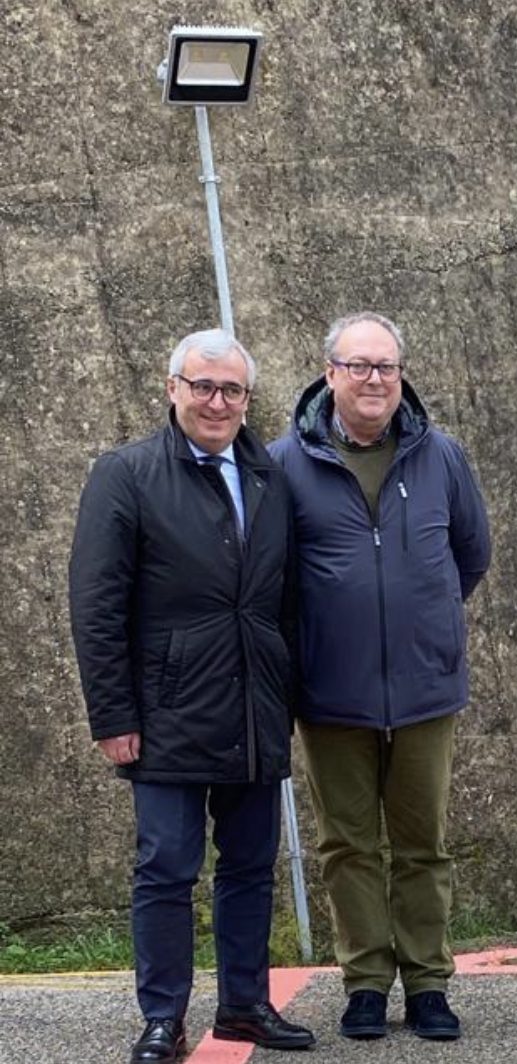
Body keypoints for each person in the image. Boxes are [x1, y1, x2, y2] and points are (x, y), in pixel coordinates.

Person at [67, 330, 315, 1064]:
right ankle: (161, 1019)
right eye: (202, 385)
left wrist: (285, 691)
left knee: (248, 866)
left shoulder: (268, 476)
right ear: (172, 388)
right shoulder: (127, 474)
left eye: (232, 390)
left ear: (246, 399)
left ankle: (243, 1005)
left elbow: (287, 600)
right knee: (166, 870)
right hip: (166, 715)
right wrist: (112, 716)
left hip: (252, 710)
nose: (216, 401)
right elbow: (96, 605)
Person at [270, 311, 491, 1042]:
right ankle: (365, 981)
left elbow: (470, 555)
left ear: (401, 376)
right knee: (348, 845)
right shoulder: (284, 464)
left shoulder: (442, 457)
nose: (374, 380)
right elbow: (273, 577)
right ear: (329, 373)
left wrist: (418, 624)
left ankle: (428, 983)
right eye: (359, 366)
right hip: (331, 693)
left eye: (387, 367)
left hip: (426, 690)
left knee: (423, 841)